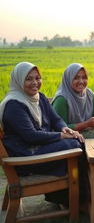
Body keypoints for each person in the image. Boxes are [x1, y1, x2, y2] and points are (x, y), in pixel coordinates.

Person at [0, 62, 88, 211]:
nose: (35, 83)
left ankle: (73, 197)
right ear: (19, 80)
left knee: (77, 141)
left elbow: (55, 119)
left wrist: (64, 128)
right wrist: (61, 136)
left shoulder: (38, 97)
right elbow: (31, 136)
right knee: (76, 146)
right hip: (26, 157)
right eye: (28, 79)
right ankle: (79, 201)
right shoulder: (14, 105)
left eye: (38, 78)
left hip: (39, 148)